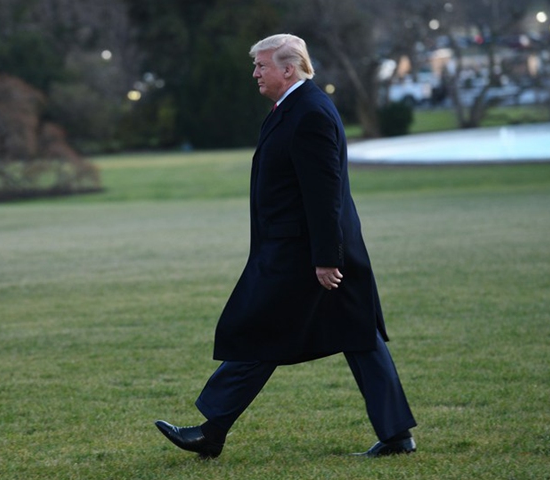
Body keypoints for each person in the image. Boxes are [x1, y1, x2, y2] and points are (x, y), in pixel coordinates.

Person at [155, 33, 417, 459]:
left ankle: (212, 430)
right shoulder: (292, 108)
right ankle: (397, 435)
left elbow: (324, 194)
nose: (255, 73)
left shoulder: (309, 112)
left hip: (305, 256)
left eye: (261, 66)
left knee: (262, 331)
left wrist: (325, 259)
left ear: (288, 68)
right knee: (360, 337)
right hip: (307, 250)